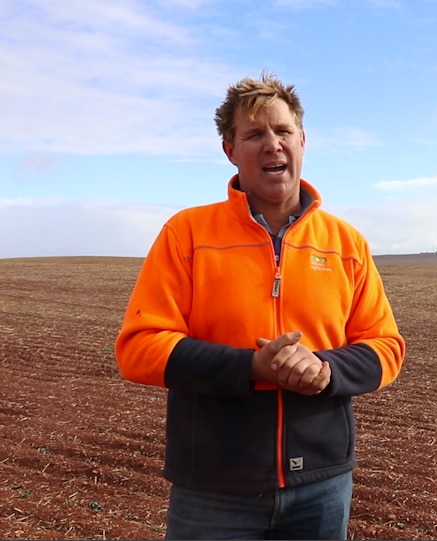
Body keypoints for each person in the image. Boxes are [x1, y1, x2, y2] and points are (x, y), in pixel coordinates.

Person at [115, 71, 405, 540]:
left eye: (283, 130)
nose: (272, 144)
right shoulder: (187, 234)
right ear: (230, 149)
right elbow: (140, 348)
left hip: (322, 486)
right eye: (254, 134)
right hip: (214, 487)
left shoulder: (344, 242)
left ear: (303, 140)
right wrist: (252, 367)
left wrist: (325, 369)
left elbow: (386, 346)